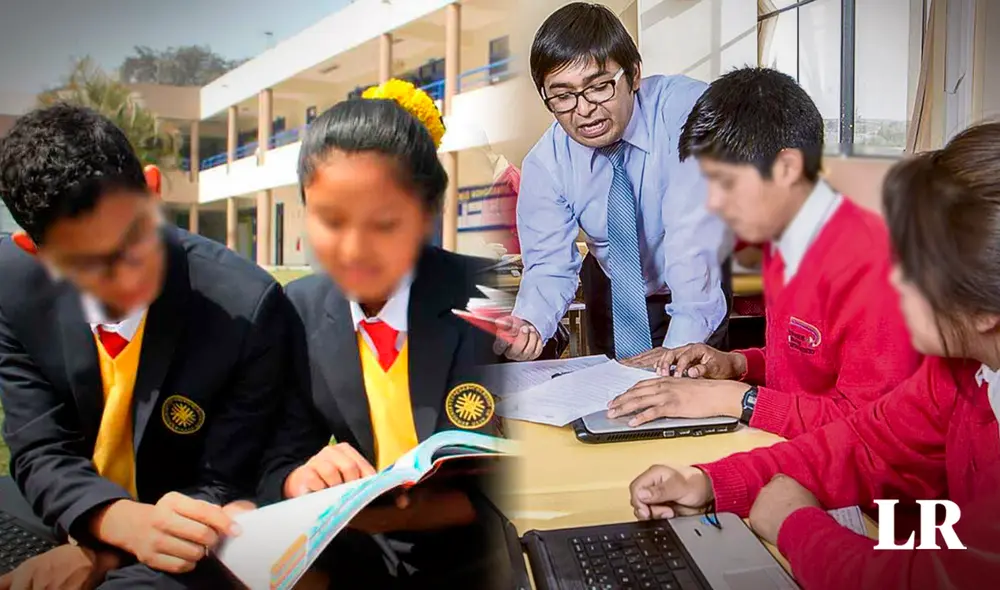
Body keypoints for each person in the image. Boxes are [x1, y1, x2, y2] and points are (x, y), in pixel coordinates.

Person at [627, 122, 1000, 590]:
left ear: (983, 309)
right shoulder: (963, 371)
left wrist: (794, 524)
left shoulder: (866, 267)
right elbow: (862, 442)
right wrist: (709, 483)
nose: (895, 281)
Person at [0, 104, 288, 589]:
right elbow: (39, 447)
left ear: (153, 190)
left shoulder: (247, 308)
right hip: (60, 513)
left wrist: (106, 552)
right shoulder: (13, 287)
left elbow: (226, 479)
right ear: (35, 249)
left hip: (185, 533)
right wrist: (108, 523)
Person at [256, 80, 508, 589]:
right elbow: (273, 454)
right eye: (331, 220)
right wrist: (299, 478)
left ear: (428, 214)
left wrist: (401, 514)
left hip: (481, 554)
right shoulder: (297, 311)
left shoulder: (488, 295)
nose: (353, 250)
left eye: (385, 223)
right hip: (360, 553)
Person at [611, 68, 922, 439]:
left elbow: (870, 430)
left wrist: (739, 400)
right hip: (790, 450)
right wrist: (737, 364)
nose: (712, 203)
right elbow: (803, 368)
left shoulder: (875, 266)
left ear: (787, 167)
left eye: (725, 183)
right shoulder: (782, 240)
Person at [494, 2, 730, 363]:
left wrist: (674, 358)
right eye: (562, 96)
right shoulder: (547, 163)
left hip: (697, 282)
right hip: (616, 290)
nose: (584, 109)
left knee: (688, 391)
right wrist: (529, 325)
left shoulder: (686, 112)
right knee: (615, 398)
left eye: (599, 87)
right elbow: (548, 265)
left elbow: (691, 240)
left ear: (634, 75)